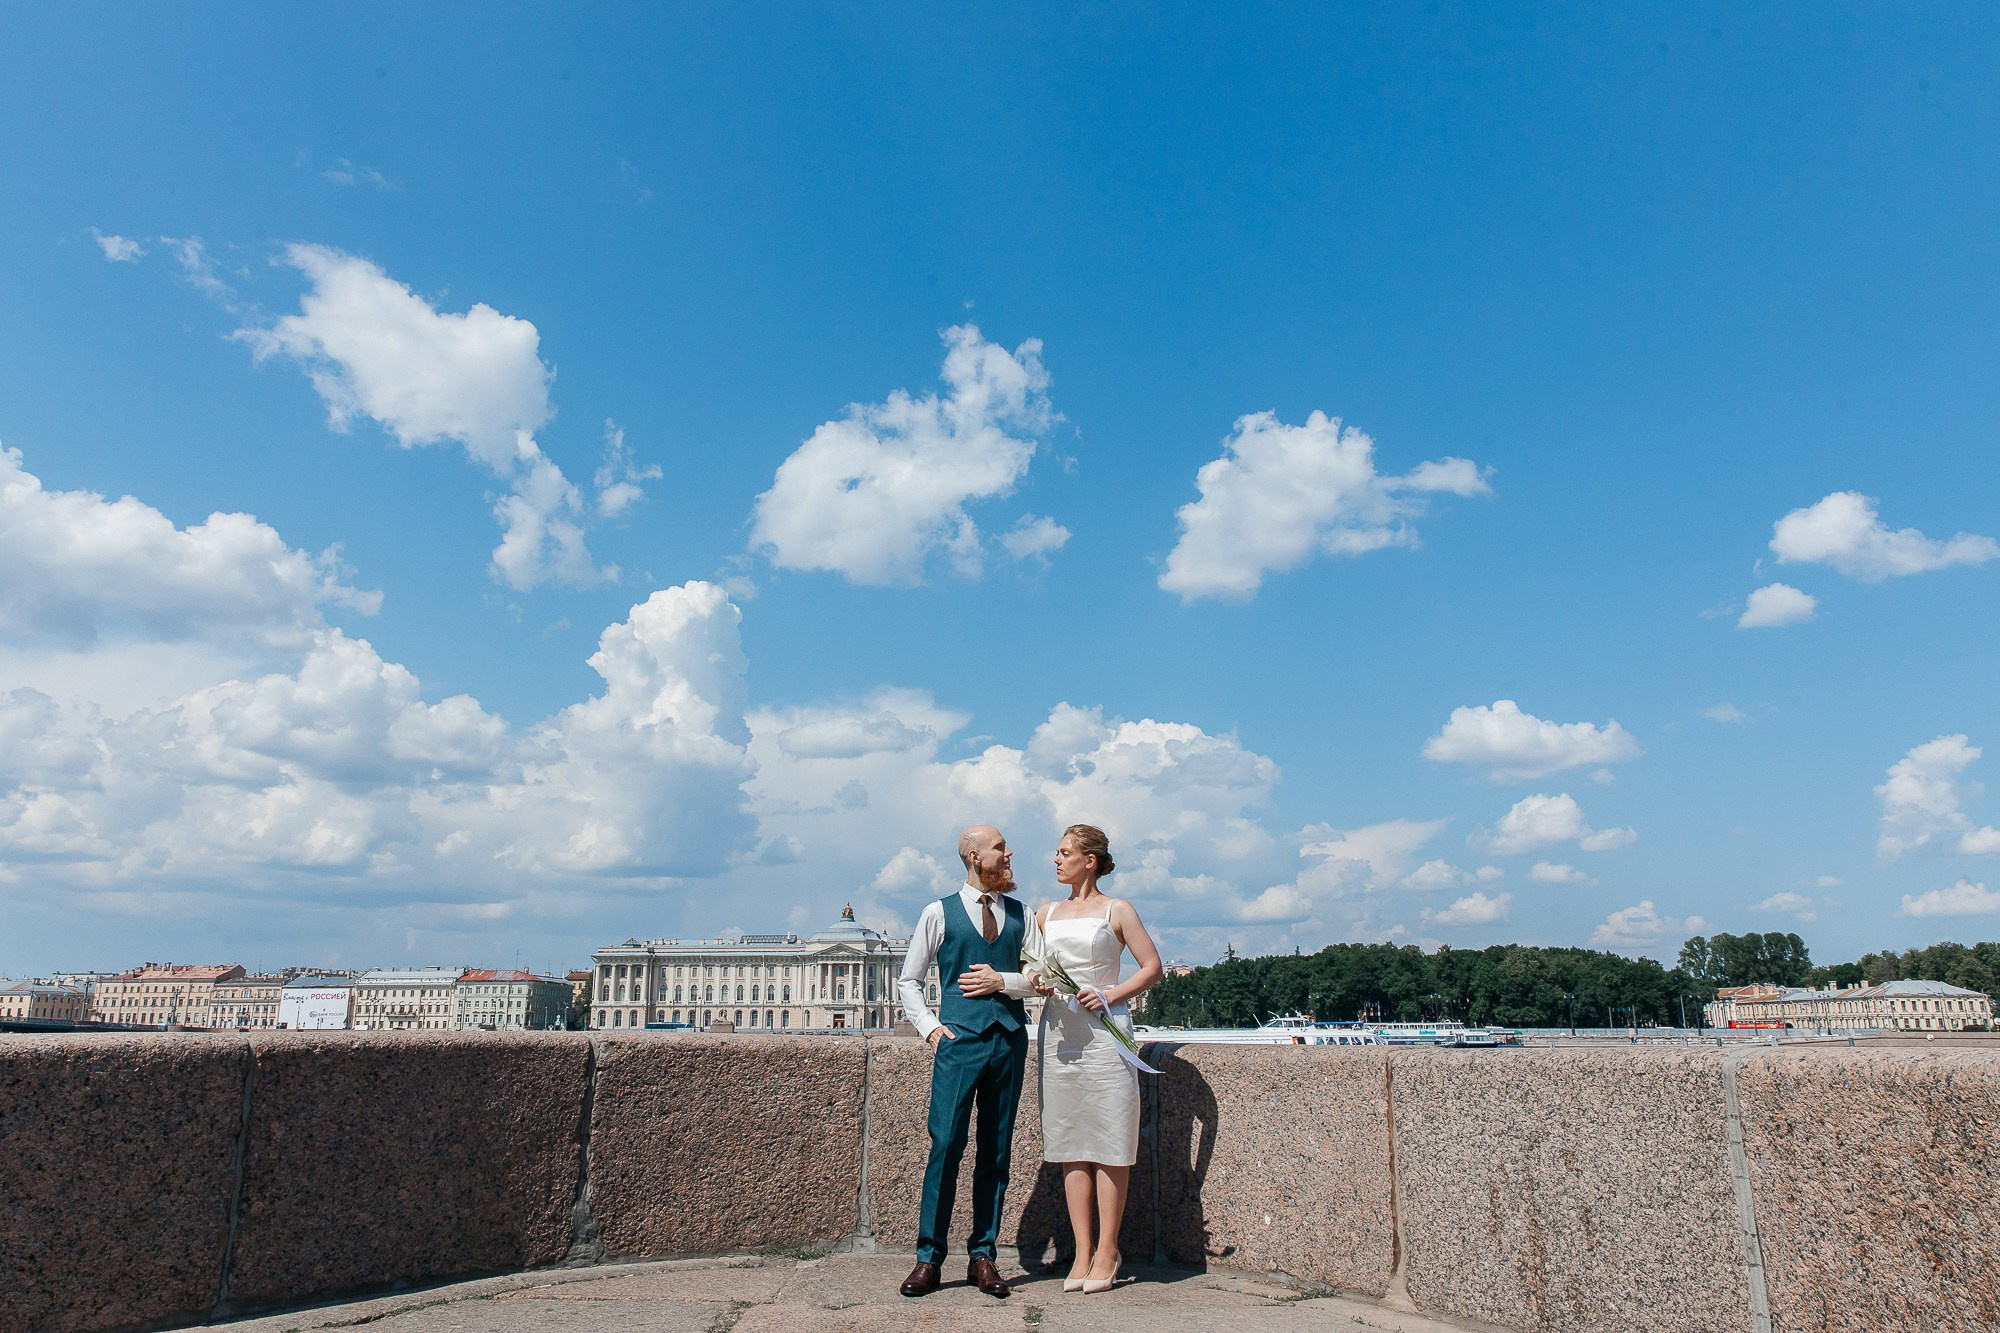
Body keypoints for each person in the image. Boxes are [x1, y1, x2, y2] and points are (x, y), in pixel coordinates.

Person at [895, 825, 1042, 1300]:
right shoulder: (938, 912)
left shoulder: (1022, 914)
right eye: (1001, 847)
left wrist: (1004, 981)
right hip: (958, 1042)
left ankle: (984, 1255)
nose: (1009, 852)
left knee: (996, 1153)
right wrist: (931, 1030)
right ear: (976, 857)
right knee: (946, 1146)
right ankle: (928, 1258)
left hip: (1009, 1040)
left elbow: (1042, 976)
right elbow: (909, 981)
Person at [1034, 823, 1162, 1294]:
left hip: (1107, 1033)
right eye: (1057, 852)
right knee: (1070, 1142)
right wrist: (1038, 981)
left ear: (1090, 861)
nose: (1056, 859)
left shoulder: (1118, 909)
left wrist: (1109, 994)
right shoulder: (1045, 913)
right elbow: (1031, 967)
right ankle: (1082, 1250)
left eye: (1065, 852)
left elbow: (1153, 967)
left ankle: (1109, 1249)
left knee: (1110, 1139)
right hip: (1061, 1033)